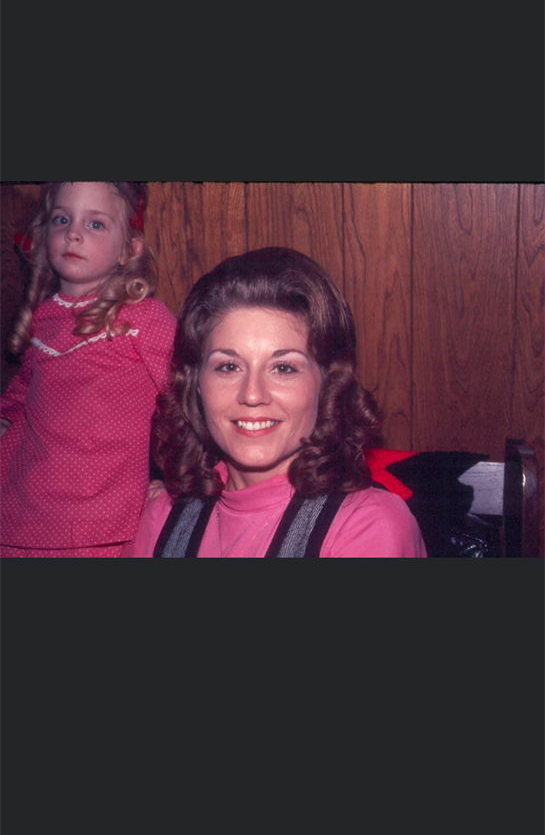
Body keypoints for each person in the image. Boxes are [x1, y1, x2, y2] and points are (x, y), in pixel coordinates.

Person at [125, 247, 426, 558]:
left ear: (327, 384)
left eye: (283, 368)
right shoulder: (164, 518)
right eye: (228, 367)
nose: (252, 395)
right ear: (196, 384)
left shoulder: (367, 525)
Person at [0, 182, 176, 557]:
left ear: (130, 250)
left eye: (95, 224)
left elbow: (192, 395)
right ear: (45, 233)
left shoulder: (143, 318)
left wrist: (181, 482)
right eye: (62, 219)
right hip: (18, 512)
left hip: (99, 523)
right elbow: (19, 400)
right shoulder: (45, 319)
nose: (73, 233)